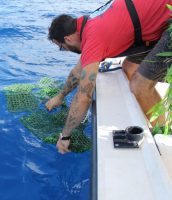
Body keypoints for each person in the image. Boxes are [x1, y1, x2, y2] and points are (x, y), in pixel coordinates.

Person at [46, 0, 171, 154]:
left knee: (140, 84)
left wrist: (65, 136)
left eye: (61, 48)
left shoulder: (93, 37)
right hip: (156, 23)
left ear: (68, 39)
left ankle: (163, 134)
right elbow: (78, 72)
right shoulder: (88, 23)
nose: (64, 50)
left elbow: (84, 96)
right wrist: (60, 96)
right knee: (129, 67)